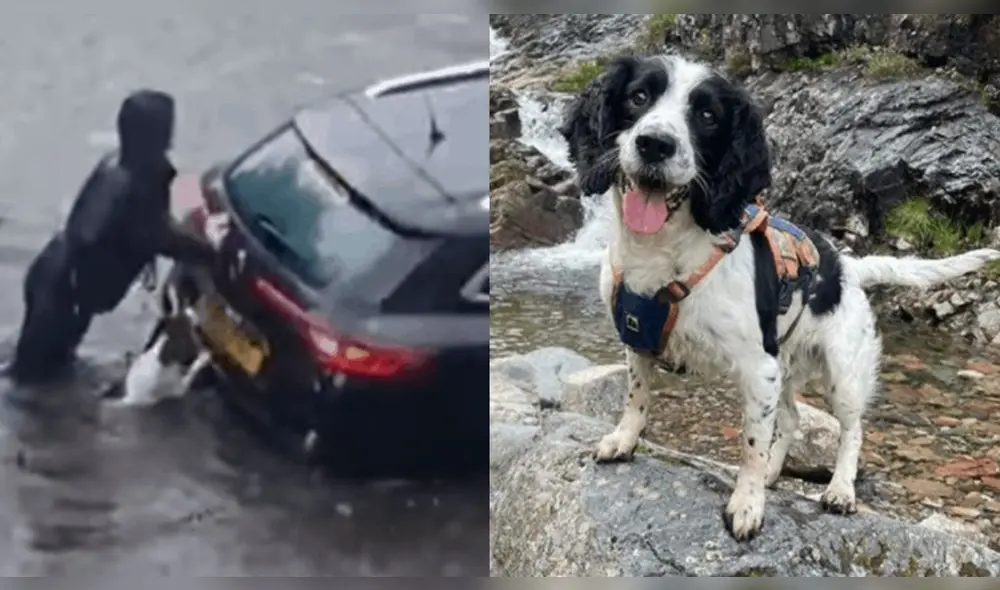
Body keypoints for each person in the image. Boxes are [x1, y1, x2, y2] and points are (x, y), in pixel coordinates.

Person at [5, 89, 218, 383]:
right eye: (166, 127)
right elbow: (158, 236)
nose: (172, 135)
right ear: (153, 133)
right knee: (29, 382)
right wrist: (210, 251)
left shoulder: (131, 166)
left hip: (60, 281)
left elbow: (177, 189)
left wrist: (203, 213)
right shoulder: (130, 187)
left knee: (47, 369)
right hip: (60, 296)